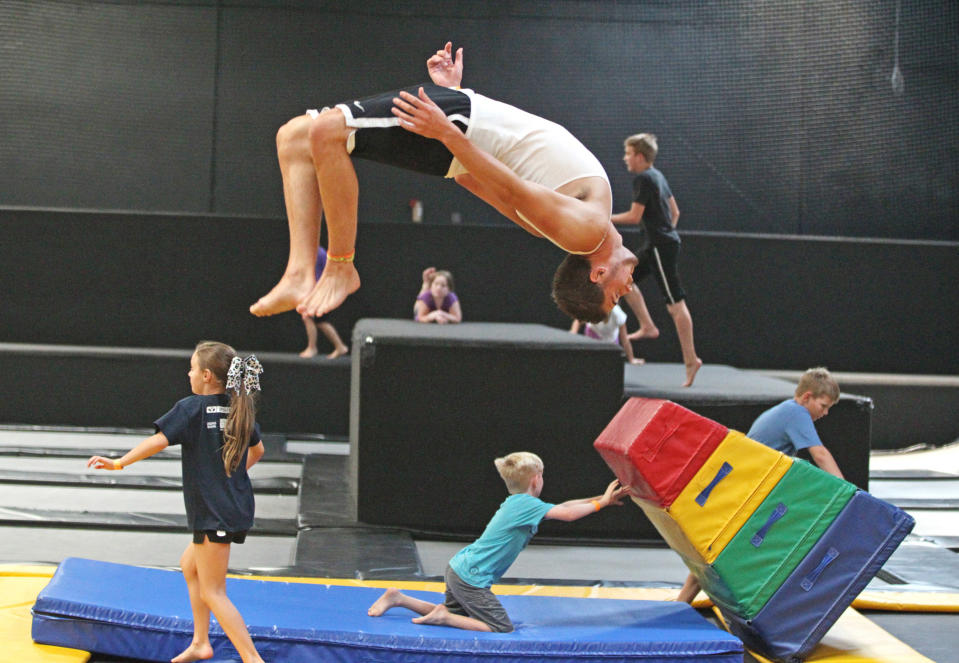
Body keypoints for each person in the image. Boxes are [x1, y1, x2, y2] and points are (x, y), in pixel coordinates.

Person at [248, 42, 637, 325]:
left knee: (325, 132)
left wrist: (448, 130)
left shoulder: (587, 233)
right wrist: (453, 97)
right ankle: (300, 271)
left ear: (598, 275)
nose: (630, 288)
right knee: (295, 136)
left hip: (461, 131)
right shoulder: (561, 226)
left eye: (618, 293)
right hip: (461, 134)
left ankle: (340, 265)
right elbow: (483, 182)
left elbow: (511, 187)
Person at [87, 342, 267, 663]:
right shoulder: (238, 407)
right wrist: (230, 480)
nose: (189, 373)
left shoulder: (192, 409)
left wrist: (119, 463)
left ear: (207, 376)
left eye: (193, 368)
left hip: (214, 514)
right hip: (228, 508)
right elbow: (257, 452)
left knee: (214, 591)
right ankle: (201, 642)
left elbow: (156, 442)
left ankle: (252, 658)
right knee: (190, 566)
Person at [367, 452, 630, 632]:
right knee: (500, 627)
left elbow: (565, 506)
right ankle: (443, 617)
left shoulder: (520, 503)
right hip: (471, 578)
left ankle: (398, 598)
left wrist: (601, 499)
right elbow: (569, 514)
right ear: (537, 479)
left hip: (460, 569)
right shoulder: (526, 505)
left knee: (463, 616)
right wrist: (602, 503)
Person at [676, 367, 845, 604]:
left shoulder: (785, 410)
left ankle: (683, 601)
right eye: (823, 405)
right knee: (727, 550)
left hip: (742, 485)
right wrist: (849, 491)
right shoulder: (796, 413)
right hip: (746, 489)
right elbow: (820, 454)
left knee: (719, 550)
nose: (825, 413)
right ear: (806, 397)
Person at [611, 133, 702, 387]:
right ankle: (648, 325)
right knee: (623, 279)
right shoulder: (658, 176)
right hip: (658, 244)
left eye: (628, 154)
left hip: (660, 246)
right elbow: (675, 212)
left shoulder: (644, 178)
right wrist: (665, 233)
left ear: (640, 156)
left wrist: (606, 218)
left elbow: (633, 216)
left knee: (675, 304)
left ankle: (691, 360)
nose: (625, 159)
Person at [299, 245, 349, 358]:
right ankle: (338, 346)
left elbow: (325, 273)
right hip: (316, 291)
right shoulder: (314, 252)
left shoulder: (318, 253)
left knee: (315, 320)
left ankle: (314, 348)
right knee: (313, 320)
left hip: (319, 292)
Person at [569, 303, 643, 364]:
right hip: (593, 334)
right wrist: (572, 336)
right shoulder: (592, 309)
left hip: (611, 341)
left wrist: (631, 359)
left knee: (608, 362)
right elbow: (578, 321)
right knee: (591, 360)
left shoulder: (618, 314)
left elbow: (624, 340)